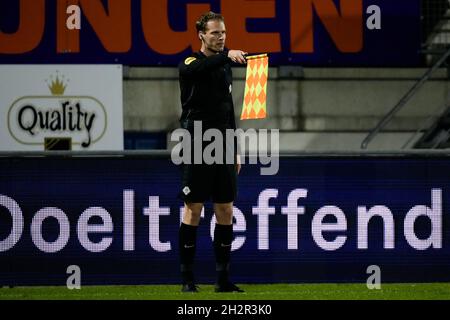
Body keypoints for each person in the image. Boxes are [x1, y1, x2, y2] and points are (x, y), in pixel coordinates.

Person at [177, 11, 247, 293]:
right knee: (193, 209)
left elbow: (228, 111)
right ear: (201, 35)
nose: (220, 37)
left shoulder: (224, 67)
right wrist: (228, 53)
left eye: (224, 33)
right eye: (215, 33)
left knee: (225, 208)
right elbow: (196, 71)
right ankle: (187, 279)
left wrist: (235, 149)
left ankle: (222, 279)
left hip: (224, 144)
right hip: (197, 143)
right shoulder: (190, 62)